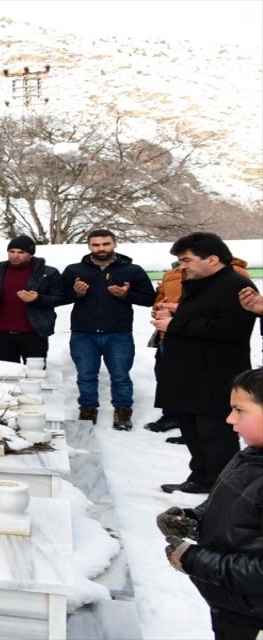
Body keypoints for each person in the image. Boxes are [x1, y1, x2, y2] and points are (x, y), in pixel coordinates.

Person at [157, 367, 263, 639]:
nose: (229, 419)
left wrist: (195, 560)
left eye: (240, 410)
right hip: (234, 606)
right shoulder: (251, 456)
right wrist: (193, 519)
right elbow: (230, 507)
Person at [153, 232, 258, 494]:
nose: (182, 266)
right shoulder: (201, 282)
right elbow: (208, 312)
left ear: (212, 259)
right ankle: (200, 477)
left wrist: (177, 324)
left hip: (215, 375)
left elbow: (232, 328)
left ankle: (223, 489)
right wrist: (178, 311)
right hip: (188, 374)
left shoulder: (236, 285)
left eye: (186, 260)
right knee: (192, 431)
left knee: (215, 435)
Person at [59, 230, 156, 429]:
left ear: (115, 244)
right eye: (96, 245)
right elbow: (58, 297)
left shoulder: (132, 270)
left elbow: (150, 299)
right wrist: (76, 293)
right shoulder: (74, 270)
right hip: (83, 333)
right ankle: (87, 410)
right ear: (89, 246)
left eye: (106, 244)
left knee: (120, 375)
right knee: (85, 375)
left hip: (118, 333)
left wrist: (126, 295)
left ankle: (123, 411)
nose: (101, 248)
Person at [0, 235, 65, 364]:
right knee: (8, 376)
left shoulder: (48, 273)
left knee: (34, 375)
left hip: (34, 332)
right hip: (3, 332)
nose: (15, 256)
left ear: (31, 254)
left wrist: (38, 298)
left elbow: (60, 298)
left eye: (21, 252)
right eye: (12, 251)